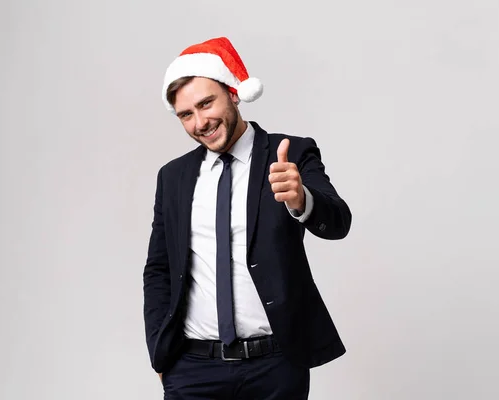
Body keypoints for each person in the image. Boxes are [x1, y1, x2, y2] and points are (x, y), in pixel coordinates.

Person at [143, 36, 352, 399]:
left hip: (275, 365)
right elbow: (159, 269)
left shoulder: (291, 153)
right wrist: (161, 356)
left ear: (234, 93)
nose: (200, 123)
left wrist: (301, 199)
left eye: (207, 103)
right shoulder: (172, 177)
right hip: (193, 367)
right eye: (186, 115)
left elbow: (338, 223)